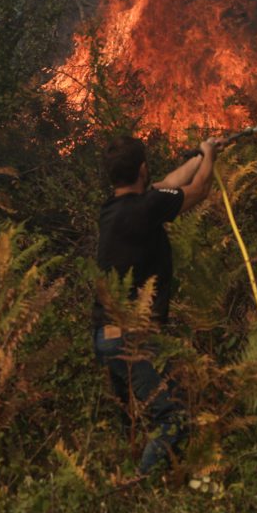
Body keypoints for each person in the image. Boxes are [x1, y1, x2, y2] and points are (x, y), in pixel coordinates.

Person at [93, 135, 223, 477]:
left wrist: (199, 156)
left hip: (106, 335)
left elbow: (167, 185)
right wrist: (208, 160)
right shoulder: (146, 208)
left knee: (131, 423)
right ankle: (143, 487)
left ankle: (120, 489)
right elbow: (198, 191)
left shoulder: (115, 208)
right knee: (174, 414)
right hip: (129, 337)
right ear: (142, 169)